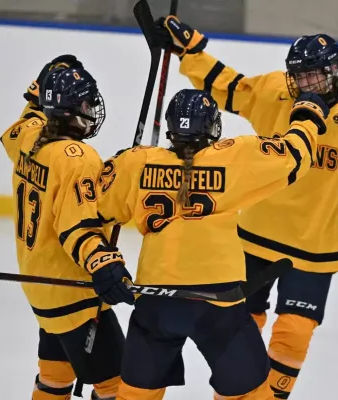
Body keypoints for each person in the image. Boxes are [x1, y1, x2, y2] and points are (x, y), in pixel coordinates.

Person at [157, 16, 338, 398]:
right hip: (253, 237)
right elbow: (232, 89)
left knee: (294, 333)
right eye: (299, 75)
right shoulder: (275, 92)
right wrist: (193, 53)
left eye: (314, 75)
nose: (305, 84)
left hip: (313, 247)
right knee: (241, 322)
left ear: (335, 72)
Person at [95, 88, 326, 399]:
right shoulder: (234, 156)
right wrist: (307, 117)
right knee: (251, 394)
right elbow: (295, 157)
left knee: (135, 395)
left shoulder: (136, 161)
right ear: (212, 126)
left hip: (156, 300)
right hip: (218, 303)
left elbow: (94, 212)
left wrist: (104, 263)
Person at [0, 55, 134, 400]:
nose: (92, 108)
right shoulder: (78, 158)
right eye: (88, 102)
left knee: (55, 375)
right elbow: (78, 226)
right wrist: (104, 264)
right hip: (72, 290)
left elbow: (27, 118)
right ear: (75, 109)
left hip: (40, 286)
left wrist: (38, 90)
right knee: (117, 385)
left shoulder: (28, 139)